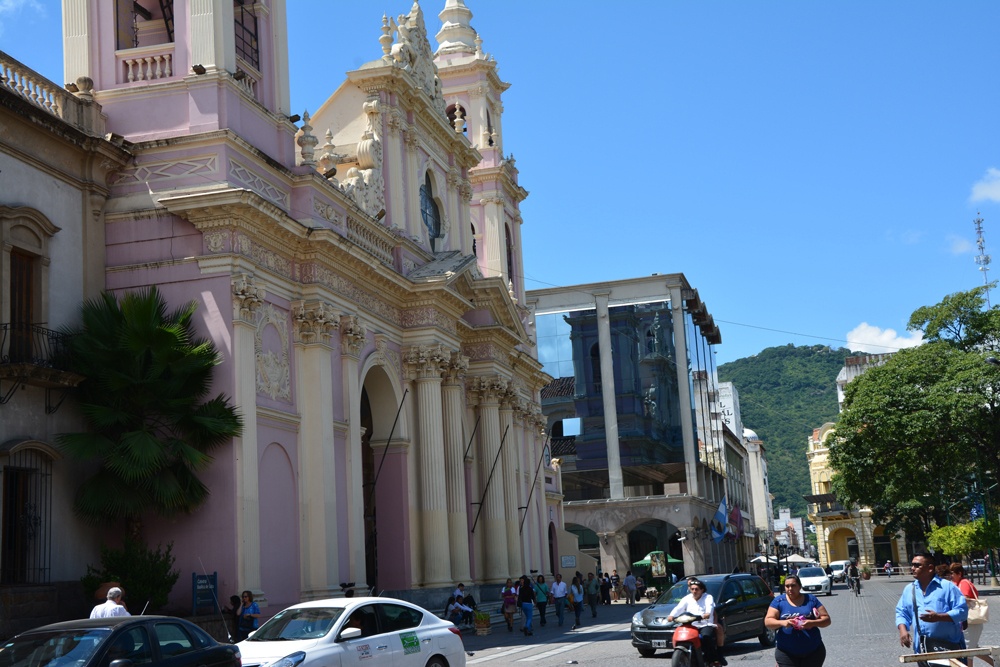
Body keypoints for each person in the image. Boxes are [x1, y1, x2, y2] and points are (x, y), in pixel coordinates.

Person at [896, 552, 968, 667]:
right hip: (923, 650)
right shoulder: (909, 589)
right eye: (912, 565)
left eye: (917, 565)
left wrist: (939, 617)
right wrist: (903, 630)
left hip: (949, 648)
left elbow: (962, 611)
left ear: (930, 568)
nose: (912, 568)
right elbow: (901, 612)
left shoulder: (947, 587)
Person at [765, 574, 831, 667]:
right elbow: (768, 622)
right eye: (787, 586)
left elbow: (827, 620)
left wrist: (812, 623)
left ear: (799, 586)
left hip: (813, 652)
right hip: (786, 653)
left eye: (793, 585)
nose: (790, 589)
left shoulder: (811, 600)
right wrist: (783, 623)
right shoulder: (778, 601)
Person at [667, 578, 726, 667]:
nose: (694, 591)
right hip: (690, 625)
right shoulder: (687, 598)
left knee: (707, 638)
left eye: (696, 589)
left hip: (705, 624)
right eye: (692, 589)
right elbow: (678, 608)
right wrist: (671, 616)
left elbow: (709, 607)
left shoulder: (708, 597)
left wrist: (706, 614)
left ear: (702, 590)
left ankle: (714, 659)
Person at [948, 562, 983, 664]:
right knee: (974, 648)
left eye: (952, 574)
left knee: (968, 653)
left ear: (959, 573)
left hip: (970, 621)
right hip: (970, 622)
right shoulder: (960, 583)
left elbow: (964, 598)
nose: (951, 576)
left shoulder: (963, 583)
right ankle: (996, 663)